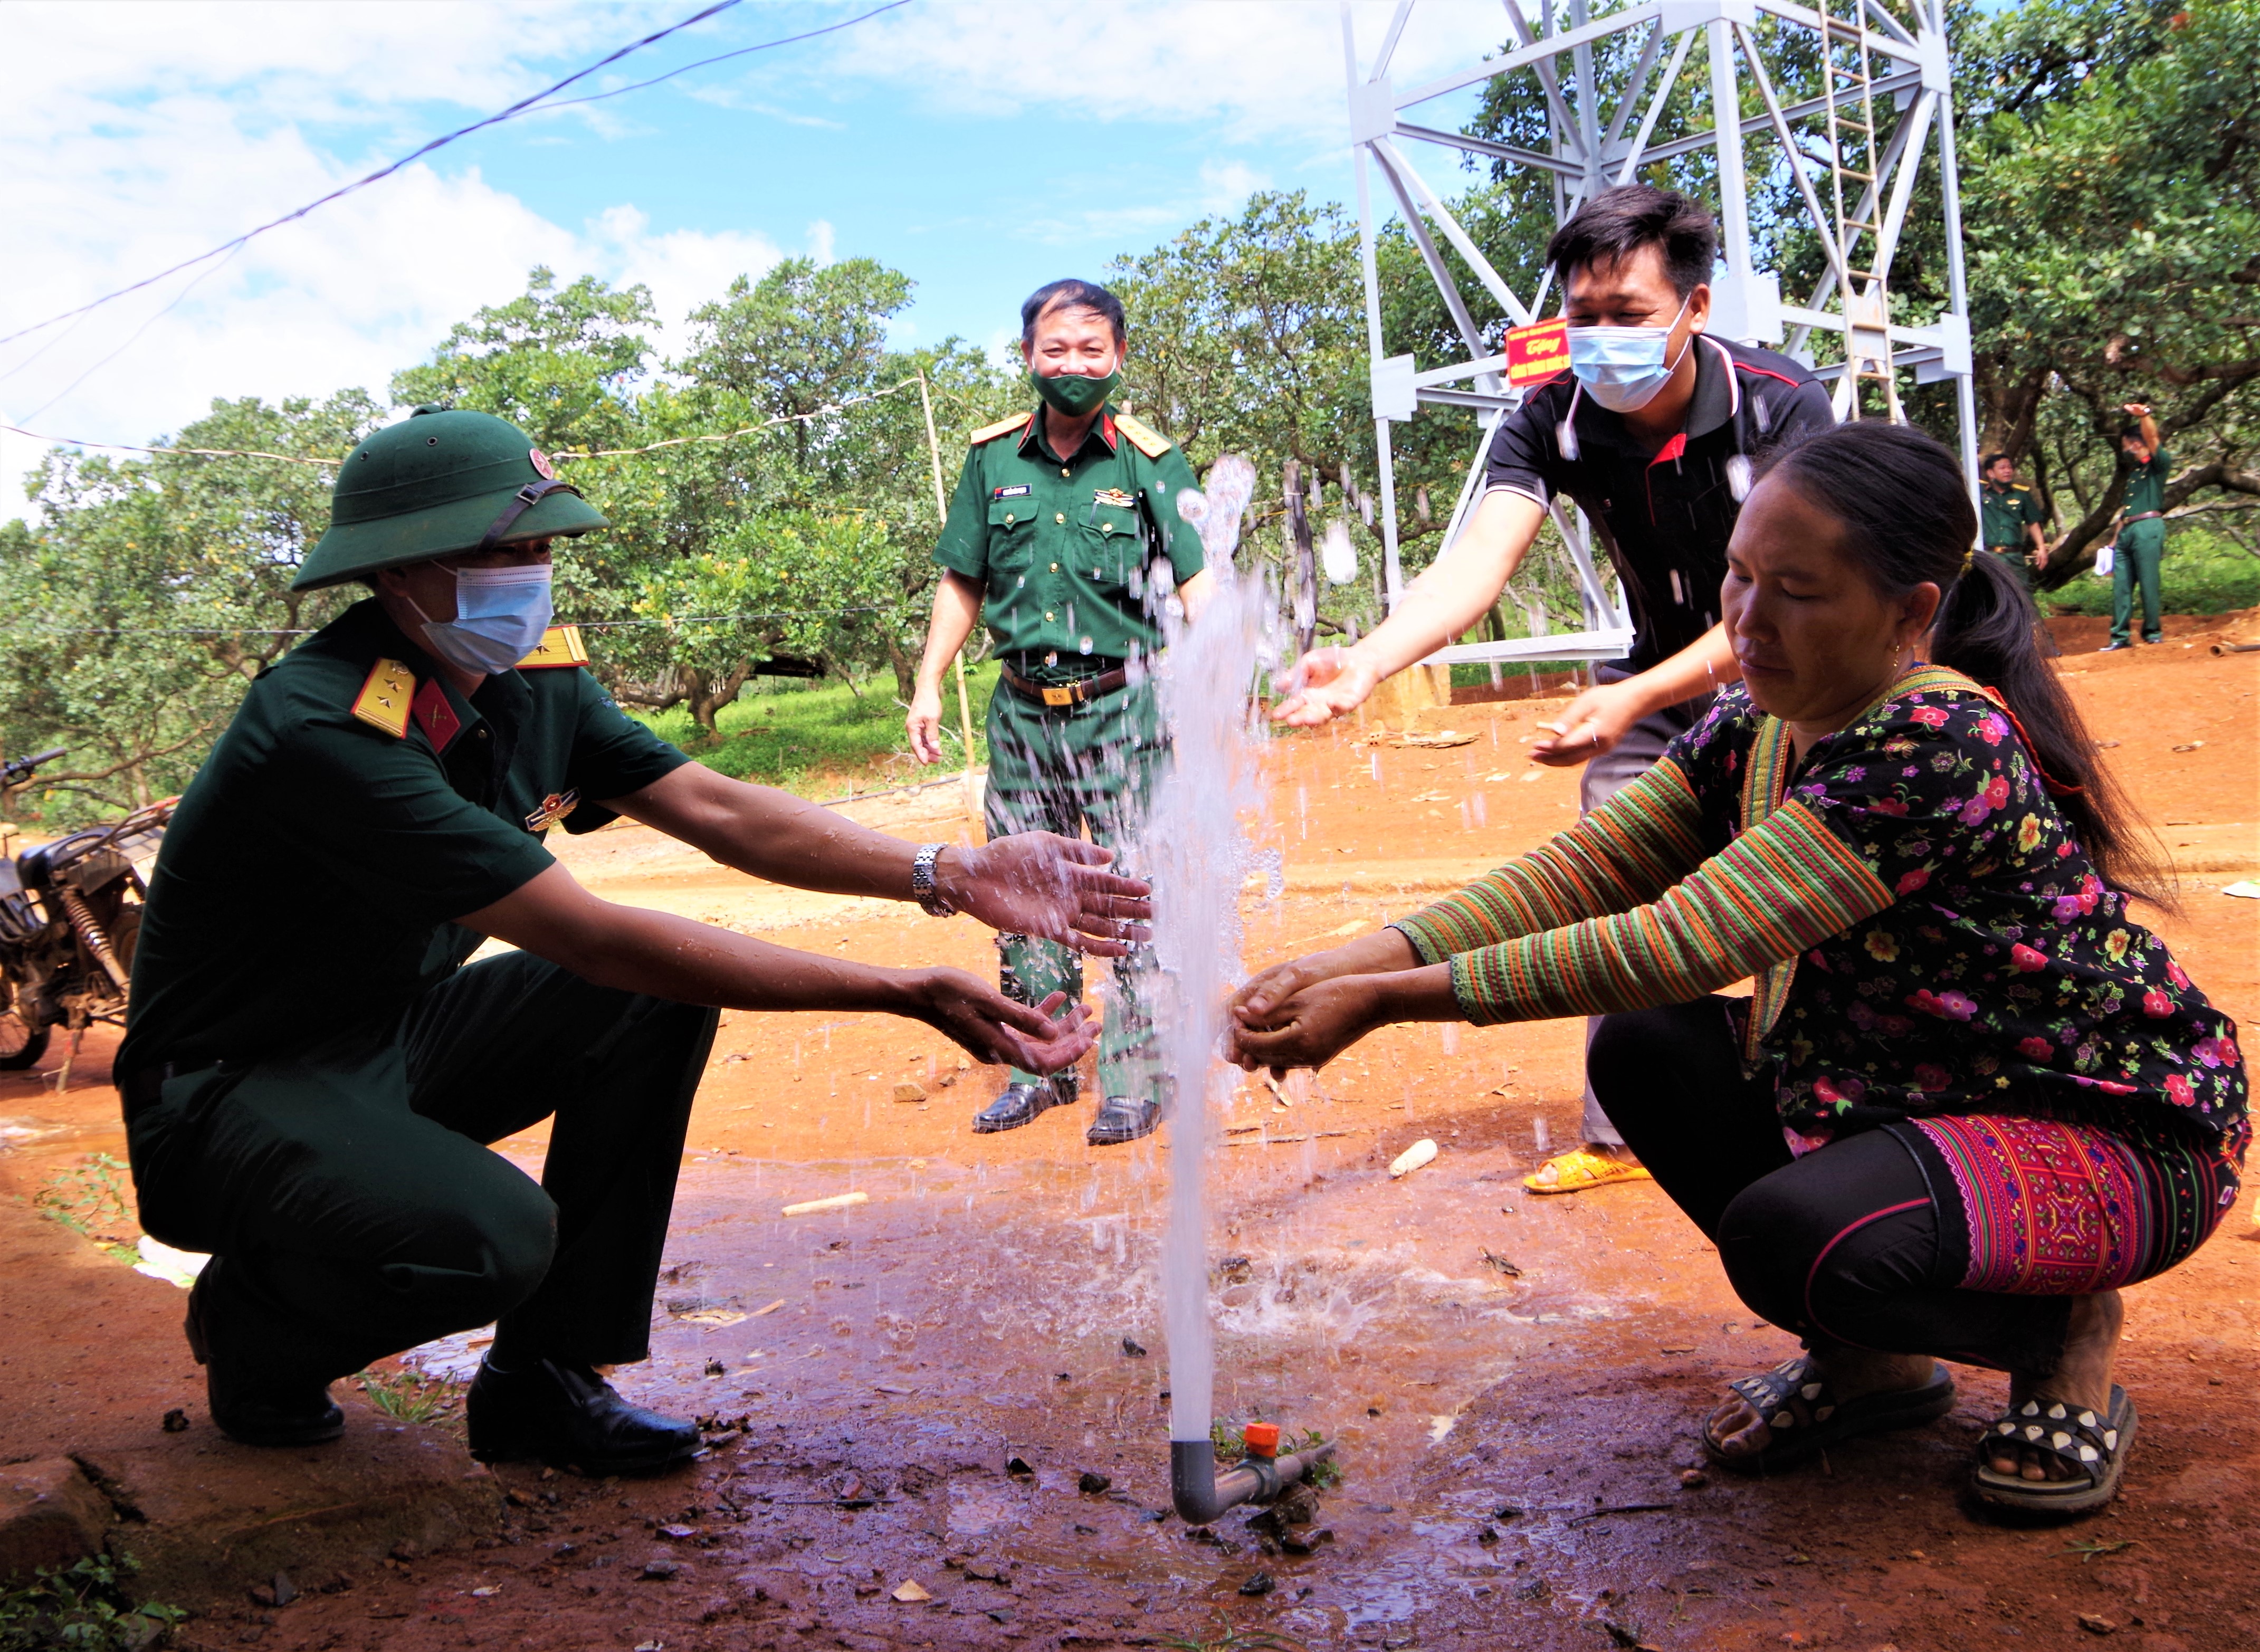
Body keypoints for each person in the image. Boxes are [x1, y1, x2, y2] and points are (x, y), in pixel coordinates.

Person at [1229, 420, 2244, 1517]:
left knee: (1789, 1238)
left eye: (1796, 591)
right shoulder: (1757, 714)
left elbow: (1681, 938)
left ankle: (2060, 1330)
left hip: (2100, 1132)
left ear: (1908, 612)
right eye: (1739, 574)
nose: (1746, 619)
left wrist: (1384, 999)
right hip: (1904, 1103)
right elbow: (1586, 871)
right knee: (1647, 1043)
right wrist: (1347, 957)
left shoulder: (1936, 742)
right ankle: (1872, 1363)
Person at [119, 406, 1148, 1470]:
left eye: (539, 546)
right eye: (490, 553)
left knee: (650, 1006)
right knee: (496, 1234)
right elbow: (597, 938)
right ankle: (256, 1328)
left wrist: (944, 869)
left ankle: (542, 1380)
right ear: (393, 576)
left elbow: (717, 808)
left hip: (392, 1037)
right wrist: (902, 989)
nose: (527, 574)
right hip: (227, 1093)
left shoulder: (534, 680)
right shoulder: (325, 727)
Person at [1273, 183, 1834, 1196]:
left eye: (1630, 316)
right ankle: (1620, 1134)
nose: (1602, 338)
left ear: (1694, 310)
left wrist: (1628, 698)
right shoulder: (1550, 421)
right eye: (1582, 318)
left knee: (1798, 898)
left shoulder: (1779, 404)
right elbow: (1476, 562)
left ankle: (1831, 1109)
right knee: (1608, 884)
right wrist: (1367, 660)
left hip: (1797, 687)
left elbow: (1783, 606)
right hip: (1657, 687)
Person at [907, 279, 1210, 1147]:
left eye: (1090, 350)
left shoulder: (1149, 462)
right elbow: (962, 577)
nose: (1071, 365)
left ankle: (1139, 1070)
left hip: (1124, 706)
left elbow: (1197, 583)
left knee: (1129, 888)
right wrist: (929, 680)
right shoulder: (992, 459)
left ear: (1117, 357)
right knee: (1023, 888)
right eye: (1055, 349)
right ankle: (1040, 1066)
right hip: (1020, 714)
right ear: (1028, 356)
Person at [2104, 403, 2170, 652]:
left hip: (2148, 527)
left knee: (2149, 581)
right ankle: (2119, 636)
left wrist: (2144, 416)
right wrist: (2113, 541)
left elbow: (2152, 437)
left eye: (2125, 444)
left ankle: (2153, 632)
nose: (2123, 450)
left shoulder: (2157, 465)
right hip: (2128, 529)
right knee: (2122, 585)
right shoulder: (2134, 473)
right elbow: (2127, 509)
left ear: (2134, 443)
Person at [1979, 451, 2049, 586]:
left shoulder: (2021, 494)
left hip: (2014, 556)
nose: (2008, 471)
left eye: (2009, 467)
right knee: (1990, 593)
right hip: (1989, 555)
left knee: (2022, 594)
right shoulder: (1980, 492)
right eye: (2002, 468)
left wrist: (2041, 547)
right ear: (1991, 473)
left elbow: (2033, 522)